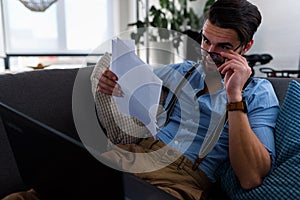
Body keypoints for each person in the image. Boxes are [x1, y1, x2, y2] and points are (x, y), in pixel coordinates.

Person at [3, 0, 280, 200]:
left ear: (246, 47)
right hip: (132, 156)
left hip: (180, 178)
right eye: (205, 41)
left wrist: (233, 95)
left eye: (223, 47)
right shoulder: (184, 72)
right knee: (32, 194)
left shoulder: (258, 92)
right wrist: (114, 83)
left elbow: (251, 176)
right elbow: (136, 80)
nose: (208, 52)